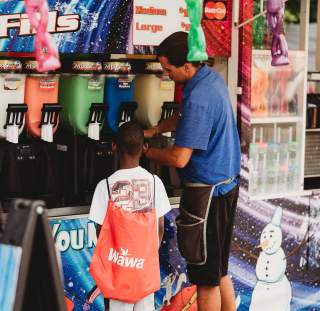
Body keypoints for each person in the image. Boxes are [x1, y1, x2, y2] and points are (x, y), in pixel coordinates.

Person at [144, 31, 241, 311]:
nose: (166, 75)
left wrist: (145, 151)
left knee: (205, 280)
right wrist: (156, 129)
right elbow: (186, 116)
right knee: (219, 270)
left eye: (168, 70)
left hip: (207, 195)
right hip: (226, 186)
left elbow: (179, 158)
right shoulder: (210, 79)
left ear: (187, 66)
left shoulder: (198, 96)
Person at [89, 121, 171, 311]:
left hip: (118, 276)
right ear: (144, 148)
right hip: (144, 275)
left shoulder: (105, 186)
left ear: (114, 147)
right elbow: (159, 228)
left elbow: (102, 234)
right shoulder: (155, 182)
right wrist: (143, 256)